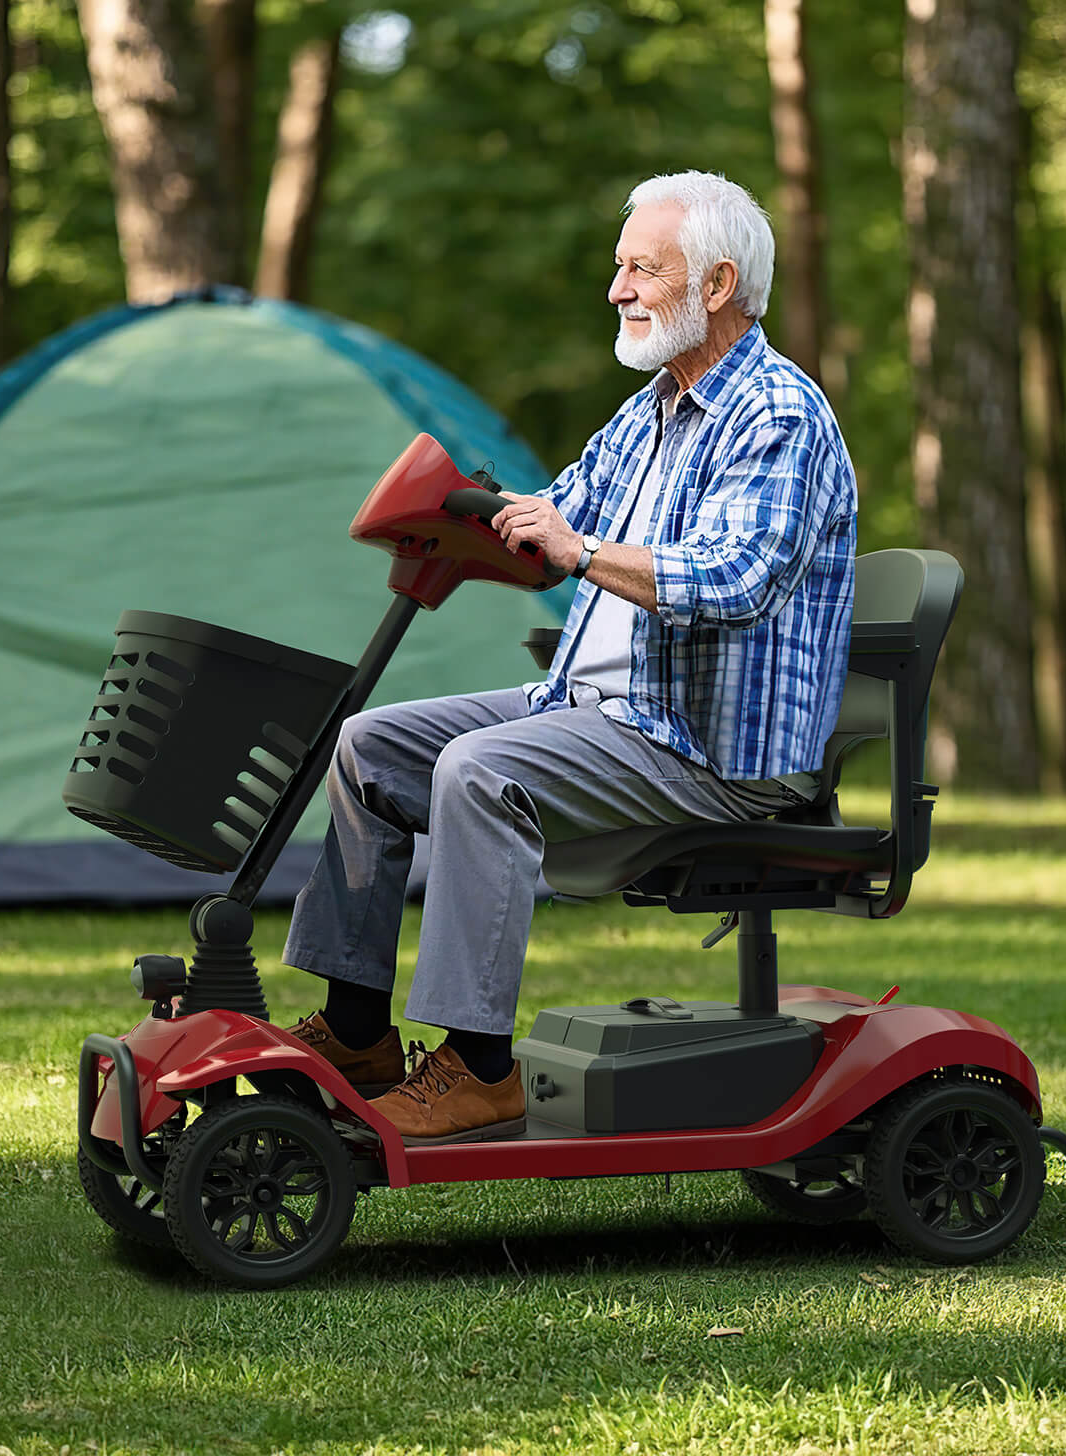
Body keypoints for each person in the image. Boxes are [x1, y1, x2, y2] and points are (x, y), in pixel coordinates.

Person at [282, 170, 858, 1144]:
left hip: (709, 750)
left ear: (715, 286)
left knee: (478, 770)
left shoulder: (778, 414)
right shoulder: (651, 414)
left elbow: (734, 583)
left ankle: (479, 1065)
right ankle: (356, 1033)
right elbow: (552, 517)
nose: (617, 289)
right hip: (600, 709)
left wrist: (582, 554)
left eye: (641, 268)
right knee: (370, 746)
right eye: (618, 267)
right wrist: (457, 510)